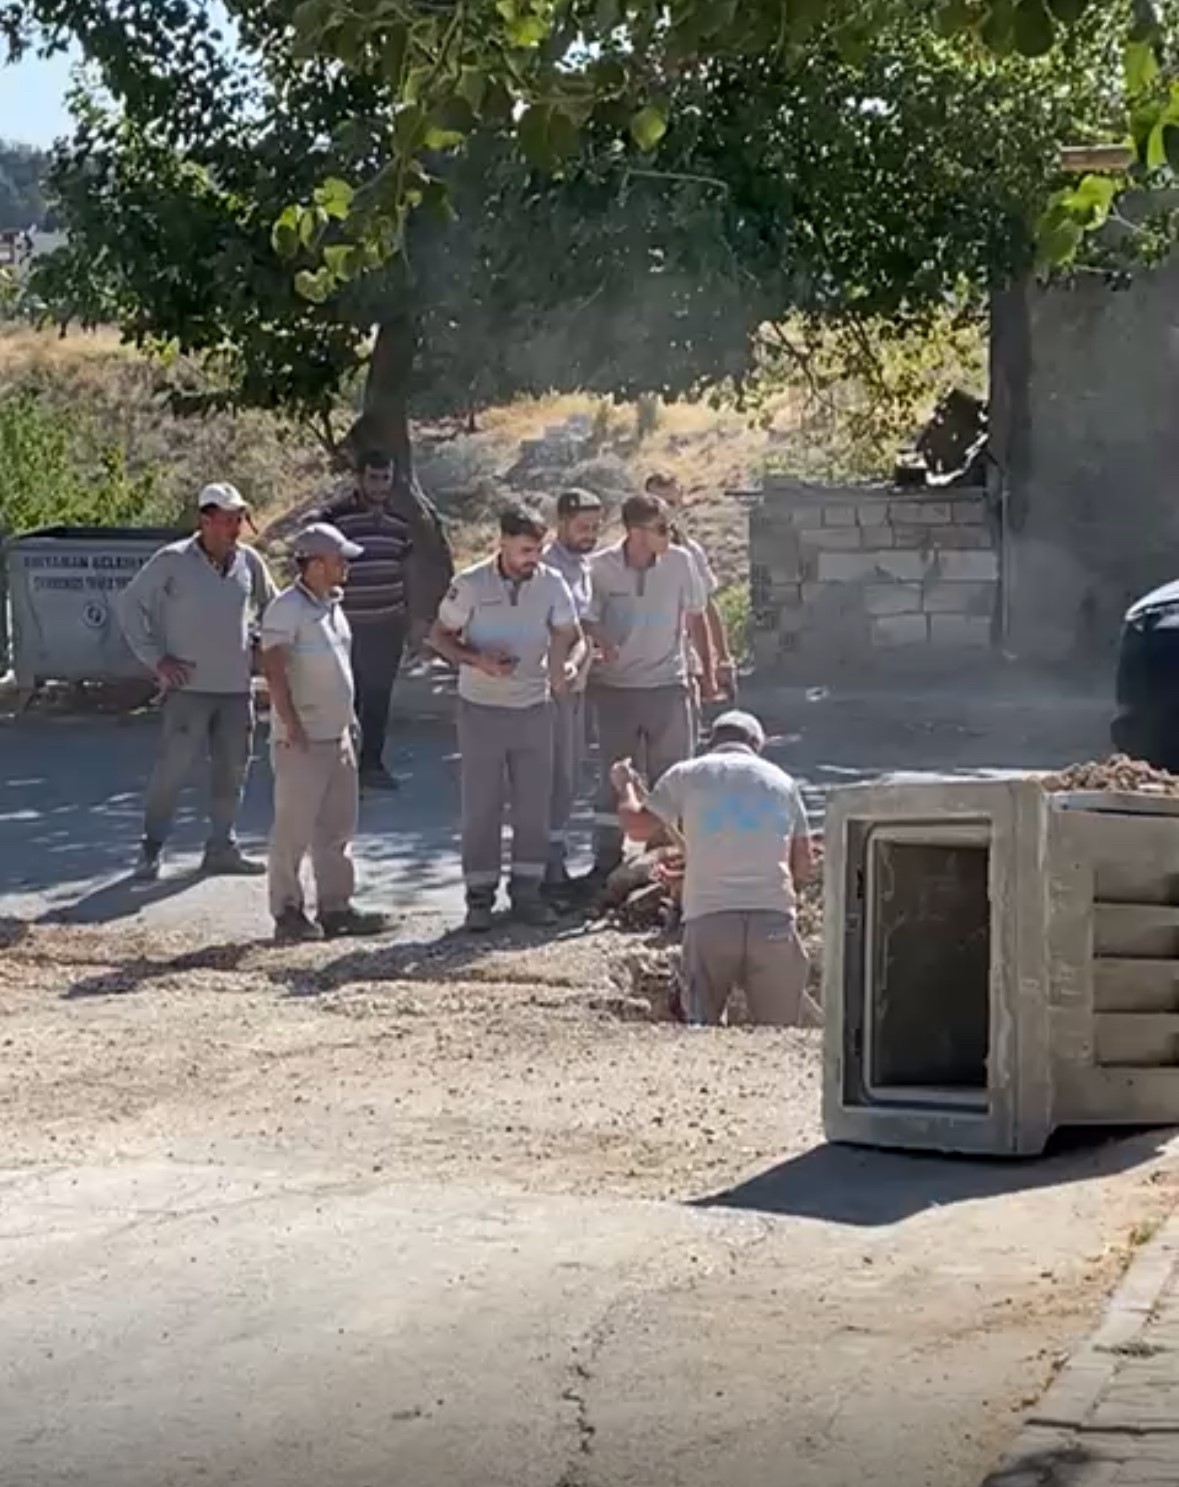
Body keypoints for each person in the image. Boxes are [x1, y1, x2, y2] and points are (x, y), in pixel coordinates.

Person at [611, 710, 816, 1027]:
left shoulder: (687, 775)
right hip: (772, 922)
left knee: (702, 1031)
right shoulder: (783, 783)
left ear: (712, 742)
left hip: (710, 922)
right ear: (756, 745)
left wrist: (624, 786)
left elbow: (637, 828)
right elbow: (802, 864)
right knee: (779, 1034)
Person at [430, 506, 582, 932]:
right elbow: (439, 637)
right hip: (481, 709)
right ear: (502, 543)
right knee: (483, 806)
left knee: (535, 806)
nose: (533, 558)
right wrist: (477, 660)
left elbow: (572, 636)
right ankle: (479, 899)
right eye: (525, 550)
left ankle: (527, 895)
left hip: (534, 708)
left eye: (538, 549)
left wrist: (569, 664)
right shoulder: (470, 584)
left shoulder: (551, 584)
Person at [118, 482, 276, 881]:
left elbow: (272, 608)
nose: (235, 528)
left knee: (233, 770)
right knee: (171, 770)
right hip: (188, 688)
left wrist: (265, 643)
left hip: (236, 688)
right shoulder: (172, 561)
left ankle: (222, 847)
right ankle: (151, 849)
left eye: (239, 519)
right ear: (204, 521)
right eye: (227, 520)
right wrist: (156, 659)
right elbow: (130, 605)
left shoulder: (249, 562)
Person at [260, 523, 391, 945]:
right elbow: (275, 669)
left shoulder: (333, 606)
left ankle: (336, 907)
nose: (346, 566)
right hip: (303, 737)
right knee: (293, 829)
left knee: (337, 828)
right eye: (339, 559)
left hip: (337, 735)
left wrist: (349, 720)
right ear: (315, 564)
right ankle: (287, 910)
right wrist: (290, 723)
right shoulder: (286, 609)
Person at [584, 491, 715, 880]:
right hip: (615, 687)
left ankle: (667, 857)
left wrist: (707, 673)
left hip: (667, 684)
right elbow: (584, 616)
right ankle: (605, 859)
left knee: (673, 774)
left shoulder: (681, 561)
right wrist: (603, 638)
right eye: (661, 528)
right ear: (635, 532)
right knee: (614, 776)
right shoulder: (600, 567)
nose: (669, 534)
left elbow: (696, 617)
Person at [317, 449, 419, 792]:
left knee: (378, 696)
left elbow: (406, 570)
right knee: (345, 696)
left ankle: (371, 765)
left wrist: (413, 621)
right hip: (345, 624)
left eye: (385, 478)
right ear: (359, 478)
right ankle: (339, 768)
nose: (379, 485)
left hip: (387, 623)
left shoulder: (400, 523)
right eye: (373, 478)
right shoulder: (335, 519)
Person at [541, 488, 602, 894]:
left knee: (570, 777)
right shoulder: (548, 568)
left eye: (596, 528)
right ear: (561, 522)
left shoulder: (583, 566)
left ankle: (556, 863)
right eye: (583, 527)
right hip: (553, 687)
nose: (591, 535)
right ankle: (547, 870)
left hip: (579, 684)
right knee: (553, 778)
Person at [645, 471, 736, 709]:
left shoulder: (690, 551)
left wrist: (722, 658)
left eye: (671, 503)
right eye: (658, 503)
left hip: (683, 662)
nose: (665, 511)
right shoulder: (619, 556)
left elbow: (706, 606)